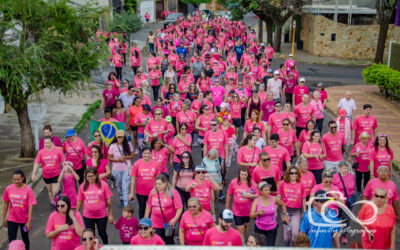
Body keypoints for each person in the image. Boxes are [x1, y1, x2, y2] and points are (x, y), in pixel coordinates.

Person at [76, 168, 114, 244]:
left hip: (102, 215)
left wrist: (110, 214)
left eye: (92, 176)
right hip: (88, 215)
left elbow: (109, 201)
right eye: (88, 176)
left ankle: (106, 245)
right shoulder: (82, 186)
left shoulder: (103, 184)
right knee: (90, 235)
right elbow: (79, 202)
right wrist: (76, 216)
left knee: (102, 233)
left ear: (96, 175)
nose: (90, 178)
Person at [3, 170, 37, 250]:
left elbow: (31, 206)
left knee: (25, 238)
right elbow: (6, 203)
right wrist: (4, 218)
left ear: (23, 178)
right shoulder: (8, 188)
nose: (16, 181)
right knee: (11, 240)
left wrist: (29, 222)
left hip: (24, 220)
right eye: (14, 179)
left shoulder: (28, 189)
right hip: (12, 218)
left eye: (18, 179)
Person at [145, 174, 183, 244]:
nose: (157, 186)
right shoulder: (153, 192)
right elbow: (149, 206)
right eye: (156, 184)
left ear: (165, 183)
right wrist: (146, 219)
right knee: (157, 241)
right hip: (155, 222)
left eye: (159, 184)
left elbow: (179, 207)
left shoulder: (173, 192)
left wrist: (175, 219)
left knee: (169, 242)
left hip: (169, 223)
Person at [226, 166, 259, 243]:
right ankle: (242, 244)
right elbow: (229, 193)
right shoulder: (234, 182)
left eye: (245, 174)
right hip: (237, 211)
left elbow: (258, 195)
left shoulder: (252, 183)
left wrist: (250, 196)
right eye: (242, 174)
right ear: (239, 174)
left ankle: (242, 239)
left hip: (248, 210)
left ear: (248, 174)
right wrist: (227, 206)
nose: (243, 176)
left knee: (245, 226)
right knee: (240, 229)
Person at [250, 182, 289, 246]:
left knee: (270, 247)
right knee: (260, 247)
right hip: (259, 228)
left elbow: (282, 204)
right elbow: (251, 215)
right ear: (261, 191)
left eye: (269, 190)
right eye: (266, 190)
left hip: (271, 228)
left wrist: (285, 215)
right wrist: (257, 213)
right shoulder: (256, 201)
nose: (268, 191)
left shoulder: (274, 199)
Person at [129, 146, 161, 219]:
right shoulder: (137, 164)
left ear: (151, 154)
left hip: (152, 191)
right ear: (142, 154)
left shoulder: (155, 164)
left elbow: (158, 178)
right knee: (142, 208)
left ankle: (151, 224)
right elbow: (133, 179)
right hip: (140, 192)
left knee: (152, 208)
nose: (147, 155)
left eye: (148, 153)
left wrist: (158, 190)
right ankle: (142, 225)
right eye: (145, 153)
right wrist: (131, 192)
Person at [278, 166, 306, 246]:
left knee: (295, 234)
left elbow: (304, 199)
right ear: (288, 174)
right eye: (291, 173)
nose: (294, 175)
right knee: (287, 235)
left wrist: (305, 211)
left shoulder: (301, 184)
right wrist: (275, 210)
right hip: (285, 211)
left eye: (295, 173)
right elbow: (279, 197)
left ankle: (294, 247)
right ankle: (287, 247)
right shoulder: (282, 183)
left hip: (296, 211)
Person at [32, 136, 64, 205]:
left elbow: (63, 162)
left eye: (48, 143)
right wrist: (33, 174)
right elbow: (36, 163)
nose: (46, 145)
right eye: (45, 143)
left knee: (55, 191)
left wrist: (65, 170)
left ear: (52, 142)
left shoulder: (58, 151)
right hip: (46, 175)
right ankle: (53, 203)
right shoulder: (41, 152)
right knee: (50, 191)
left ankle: (58, 205)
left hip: (56, 174)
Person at [108, 130, 134, 207]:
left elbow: (131, 156)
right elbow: (109, 158)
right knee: (120, 186)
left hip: (126, 168)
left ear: (124, 137)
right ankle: (122, 199)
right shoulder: (112, 146)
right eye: (118, 137)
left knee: (125, 187)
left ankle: (126, 205)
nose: (120, 138)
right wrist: (118, 160)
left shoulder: (128, 144)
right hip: (116, 170)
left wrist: (125, 157)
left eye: (121, 137)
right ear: (116, 137)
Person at [332, 161, 355, 244]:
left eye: (347, 168)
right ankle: (334, 232)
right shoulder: (335, 176)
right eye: (343, 168)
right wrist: (338, 199)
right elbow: (332, 189)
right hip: (338, 202)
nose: (345, 170)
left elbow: (353, 189)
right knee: (336, 218)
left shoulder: (352, 176)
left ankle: (343, 235)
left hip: (348, 203)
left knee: (346, 219)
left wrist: (352, 202)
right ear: (339, 168)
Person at [202, 149, 225, 214]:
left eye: (215, 157)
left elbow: (222, 170)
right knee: (211, 198)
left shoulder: (219, 159)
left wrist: (223, 179)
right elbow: (202, 170)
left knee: (216, 196)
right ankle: (212, 213)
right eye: (213, 157)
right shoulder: (204, 160)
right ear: (210, 155)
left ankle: (211, 205)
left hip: (218, 181)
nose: (214, 158)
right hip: (208, 182)